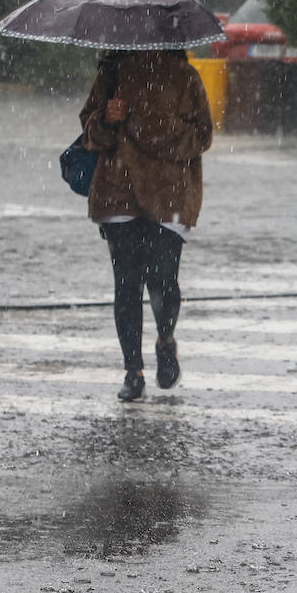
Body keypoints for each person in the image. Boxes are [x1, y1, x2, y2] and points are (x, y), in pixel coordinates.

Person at [79, 49, 214, 401]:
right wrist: (108, 119)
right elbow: (90, 131)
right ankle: (133, 370)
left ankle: (165, 339)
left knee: (163, 280)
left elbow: (203, 135)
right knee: (126, 283)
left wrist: (153, 127)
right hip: (117, 192)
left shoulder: (186, 76)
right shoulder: (111, 73)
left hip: (170, 195)